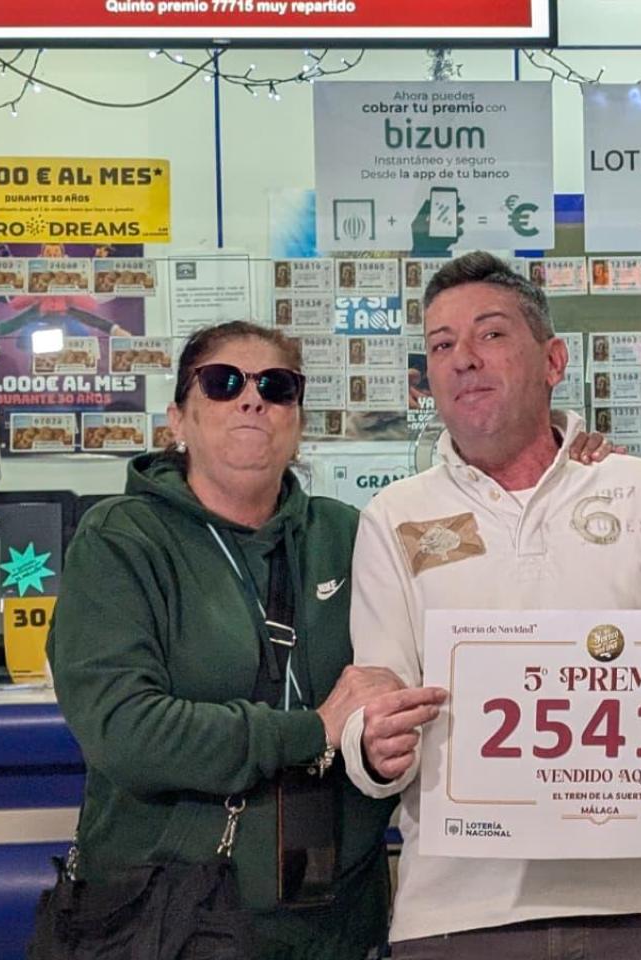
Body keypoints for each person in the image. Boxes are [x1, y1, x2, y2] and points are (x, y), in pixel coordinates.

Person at [339, 253, 641, 959]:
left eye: (491, 335)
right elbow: (375, 710)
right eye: (442, 345)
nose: (464, 358)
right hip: (457, 914)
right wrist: (371, 748)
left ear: (553, 359)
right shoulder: (392, 518)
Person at [46, 321, 404, 959]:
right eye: (222, 383)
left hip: (335, 918)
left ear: (296, 421)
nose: (251, 399)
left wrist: (566, 455)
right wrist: (313, 730)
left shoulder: (347, 535)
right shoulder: (121, 540)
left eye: (276, 385)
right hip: (171, 918)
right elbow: (127, 734)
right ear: (178, 420)